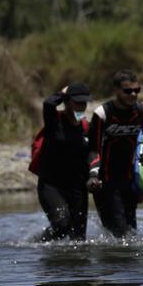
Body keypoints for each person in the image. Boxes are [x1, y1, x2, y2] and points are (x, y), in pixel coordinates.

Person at [86, 70, 143, 238]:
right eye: (128, 91)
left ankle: (122, 262)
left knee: (130, 231)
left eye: (137, 90)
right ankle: (114, 262)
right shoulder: (102, 114)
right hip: (104, 181)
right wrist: (92, 175)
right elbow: (93, 149)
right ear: (116, 91)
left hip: (129, 179)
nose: (133, 94)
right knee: (119, 231)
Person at [37, 83, 92, 241]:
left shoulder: (86, 127)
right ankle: (39, 243)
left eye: (84, 103)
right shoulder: (54, 122)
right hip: (52, 185)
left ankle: (72, 264)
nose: (81, 106)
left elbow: (92, 154)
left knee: (79, 238)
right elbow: (48, 103)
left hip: (78, 188)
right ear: (67, 102)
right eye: (77, 102)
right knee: (61, 224)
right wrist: (62, 93)